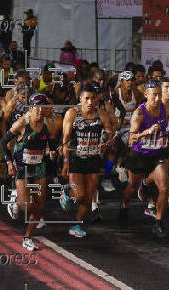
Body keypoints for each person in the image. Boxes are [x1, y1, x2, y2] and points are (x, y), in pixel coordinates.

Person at [0, 93, 61, 250]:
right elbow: (3, 142)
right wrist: (9, 163)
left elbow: (51, 142)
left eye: (43, 107)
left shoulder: (48, 124)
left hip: (39, 167)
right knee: (26, 206)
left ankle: (27, 237)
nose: (40, 110)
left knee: (40, 207)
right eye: (37, 107)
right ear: (31, 108)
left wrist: (53, 151)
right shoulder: (22, 123)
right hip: (22, 168)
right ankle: (15, 201)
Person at [60, 84, 113, 238]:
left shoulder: (101, 114)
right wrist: (65, 162)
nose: (90, 102)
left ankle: (75, 225)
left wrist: (104, 140)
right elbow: (66, 140)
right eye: (87, 98)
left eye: (93, 98)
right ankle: (67, 193)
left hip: (93, 159)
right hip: (76, 159)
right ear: (80, 99)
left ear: (97, 99)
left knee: (88, 200)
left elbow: (109, 130)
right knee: (80, 196)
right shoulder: (72, 114)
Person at [120, 79, 169, 239]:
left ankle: (159, 223)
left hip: (156, 155)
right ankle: (124, 206)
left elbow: (164, 128)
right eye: (154, 95)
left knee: (164, 187)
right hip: (139, 156)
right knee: (132, 188)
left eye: (159, 95)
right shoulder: (139, 113)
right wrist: (146, 132)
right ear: (146, 95)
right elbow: (130, 139)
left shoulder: (163, 108)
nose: (157, 98)